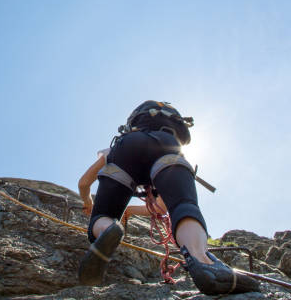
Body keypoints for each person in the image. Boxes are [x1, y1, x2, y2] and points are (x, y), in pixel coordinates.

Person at [77, 101, 259, 294]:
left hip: (126, 149)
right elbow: (163, 207)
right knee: (183, 206)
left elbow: (83, 183)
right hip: (168, 147)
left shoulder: (114, 148)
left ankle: (107, 228)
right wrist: (132, 210)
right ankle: (202, 260)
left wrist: (88, 202)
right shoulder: (169, 137)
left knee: (104, 215)